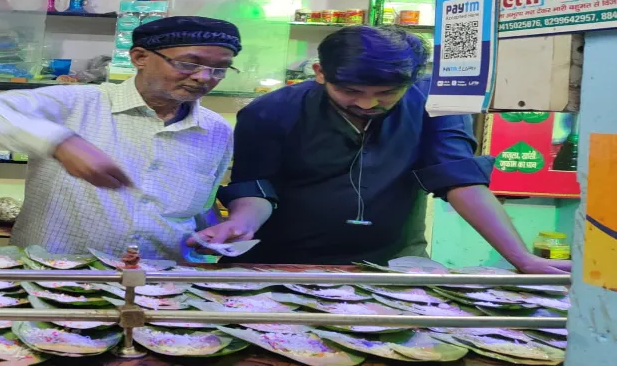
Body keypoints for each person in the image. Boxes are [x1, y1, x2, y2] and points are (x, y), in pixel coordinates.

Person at [192, 26, 570, 274]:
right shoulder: (270, 111)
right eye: (351, 92)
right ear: (320, 72)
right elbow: (257, 188)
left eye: (387, 93)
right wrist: (240, 225)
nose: (369, 104)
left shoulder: (435, 102)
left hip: (393, 261)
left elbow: (461, 181)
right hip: (284, 260)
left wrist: (520, 258)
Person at [0, 16, 241, 261]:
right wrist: (61, 143)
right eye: (189, 64)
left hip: (159, 286)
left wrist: (211, 233)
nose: (205, 77)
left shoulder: (216, 130)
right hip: (53, 277)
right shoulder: (78, 103)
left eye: (219, 69)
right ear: (140, 57)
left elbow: (198, 208)